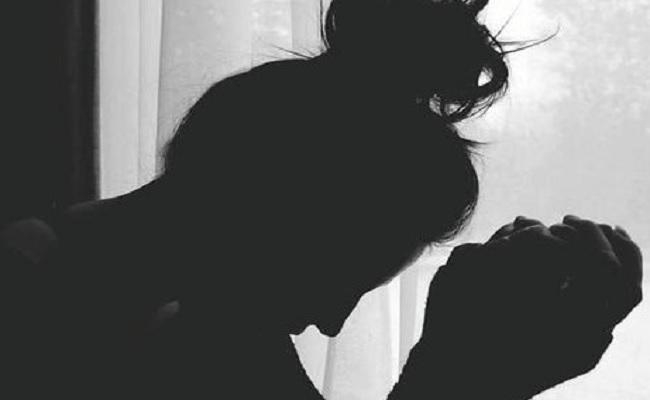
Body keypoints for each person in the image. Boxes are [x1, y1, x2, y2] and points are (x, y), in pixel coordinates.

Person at [0, 0, 643, 398]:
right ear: (263, 214)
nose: (332, 322)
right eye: (335, 279)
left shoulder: (214, 330)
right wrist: (461, 380)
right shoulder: (27, 316)